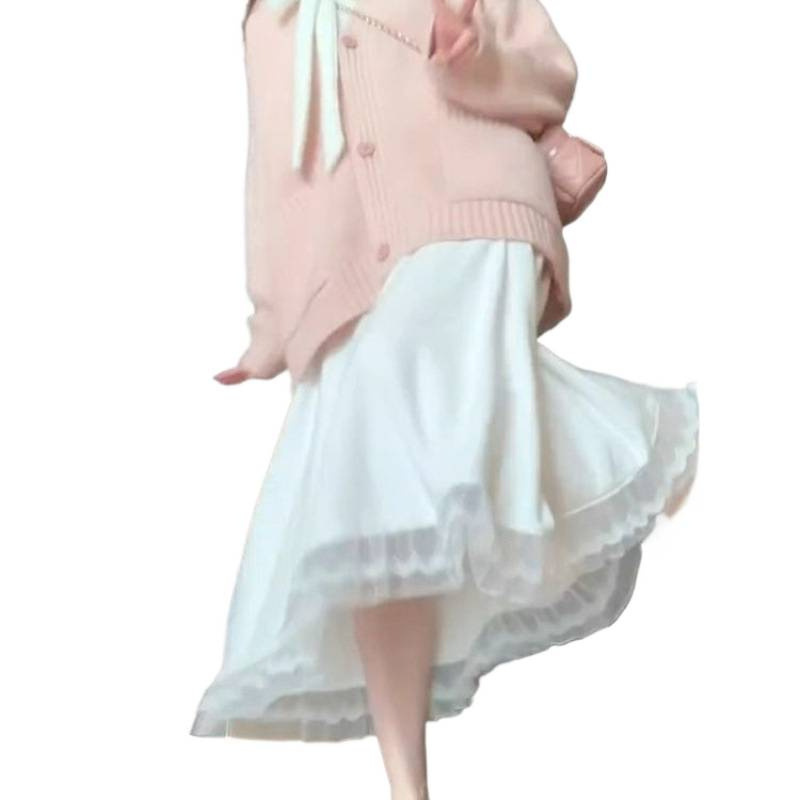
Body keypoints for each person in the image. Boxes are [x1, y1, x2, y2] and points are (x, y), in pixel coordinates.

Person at [190, 1, 700, 798]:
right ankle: (409, 788)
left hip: (475, 212)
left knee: (403, 426)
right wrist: (268, 324)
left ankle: (666, 449)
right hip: (349, 269)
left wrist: (470, 51)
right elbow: (271, 173)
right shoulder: (269, 19)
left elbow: (548, 71)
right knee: (367, 504)